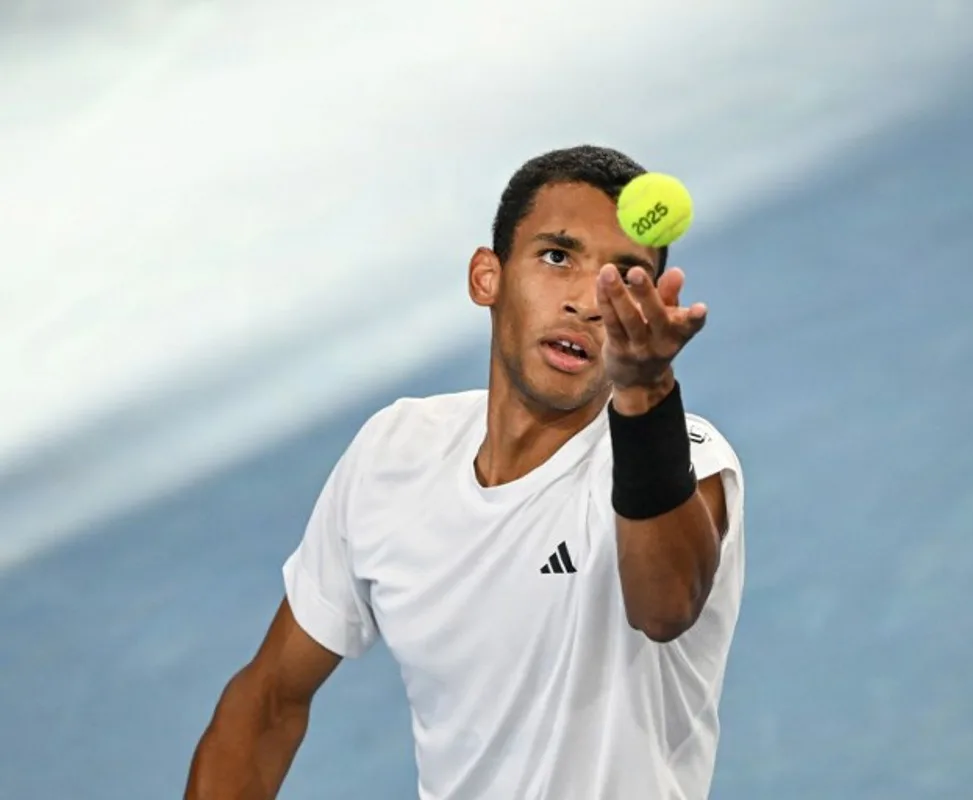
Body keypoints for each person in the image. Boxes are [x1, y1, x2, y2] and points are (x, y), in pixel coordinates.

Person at [184, 144, 746, 799]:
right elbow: (269, 701)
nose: (587, 302)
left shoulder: (685, 459)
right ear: (488, 277)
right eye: (557, 256)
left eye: (623, 278)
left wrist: (646, 393)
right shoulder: (394, 454)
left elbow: (665, 606)